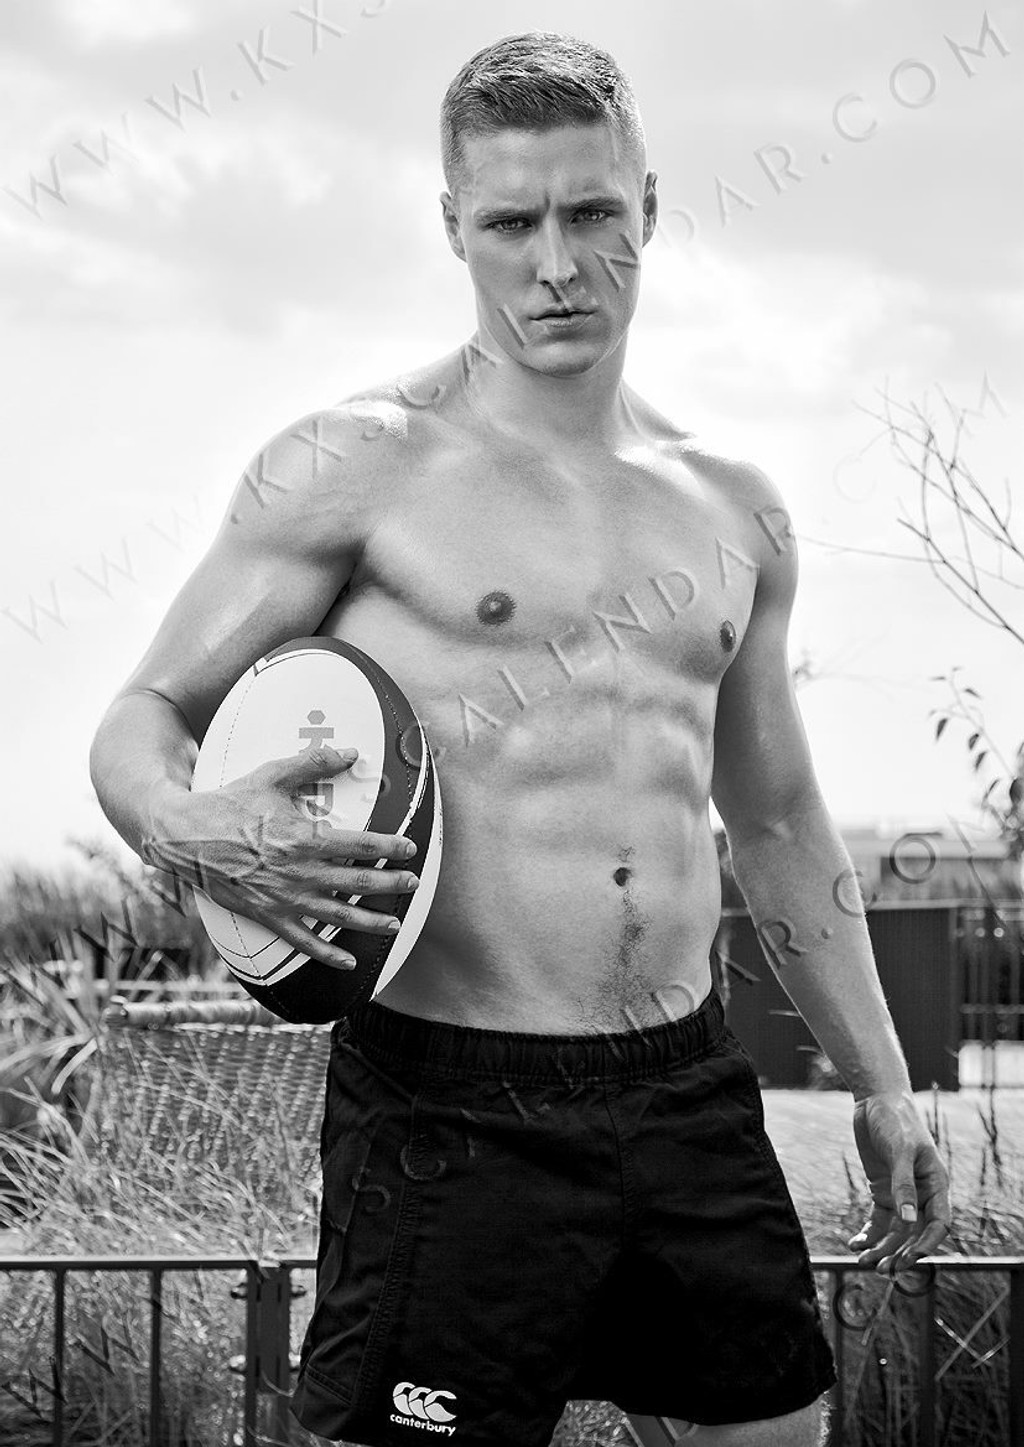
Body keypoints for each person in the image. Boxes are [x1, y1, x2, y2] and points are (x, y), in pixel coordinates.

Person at [89, 31, 951, 1447]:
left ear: (648, 208)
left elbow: (780, 821)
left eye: (591, 212)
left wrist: (882, 1082)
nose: (557, 265)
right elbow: (144, 719)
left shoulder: (732, 508)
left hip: (684, 1085)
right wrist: (189, 824)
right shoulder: (357, 464)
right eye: (511, 223)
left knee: (779, 1433)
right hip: (451, 1102)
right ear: (454, 228)